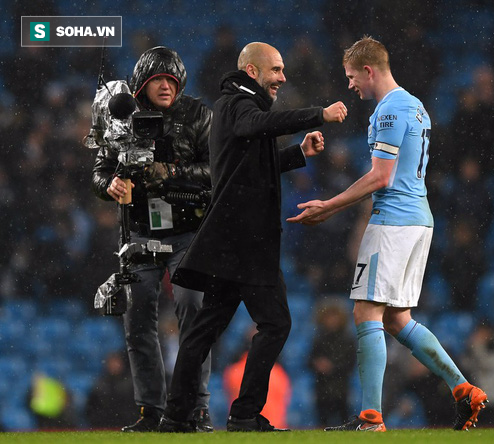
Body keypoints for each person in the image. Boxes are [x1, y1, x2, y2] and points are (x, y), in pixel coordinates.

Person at [287, 36, 488, 432]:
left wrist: (329, 205)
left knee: (366, 312)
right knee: (397, 319)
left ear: (368, 70)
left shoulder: (390, 109)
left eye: (350, 77)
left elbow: (382, 176)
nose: (349, 85)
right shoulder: (415, 106)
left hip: (394, 221)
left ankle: (370, 418)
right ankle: (463, 389)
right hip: (418, 220)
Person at [156, 42, 347, 433]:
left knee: (204, 330)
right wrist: (319, 115)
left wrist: (298, 153)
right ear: (252, 72)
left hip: (231, 241)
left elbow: (250, 165)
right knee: (275, 324)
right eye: (276, 70)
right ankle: (243, 414)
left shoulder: (239, 108)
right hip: (245, 242)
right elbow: (256, 127)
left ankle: (175, 416)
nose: (283, 77)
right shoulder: (236, 104)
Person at [91, 46, 214, 432]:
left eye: (171, 80)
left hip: (188, 230)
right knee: (137, 316)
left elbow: (216, 170)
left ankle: (195, 409)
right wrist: (108, 183)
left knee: (194, 309)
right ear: (142, 86)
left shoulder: (197, 114)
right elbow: (100, 169)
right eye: (158, 80)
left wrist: (171, 172)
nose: (165, 86)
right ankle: (152, 411)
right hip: (140, 232)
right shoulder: (120, 116)